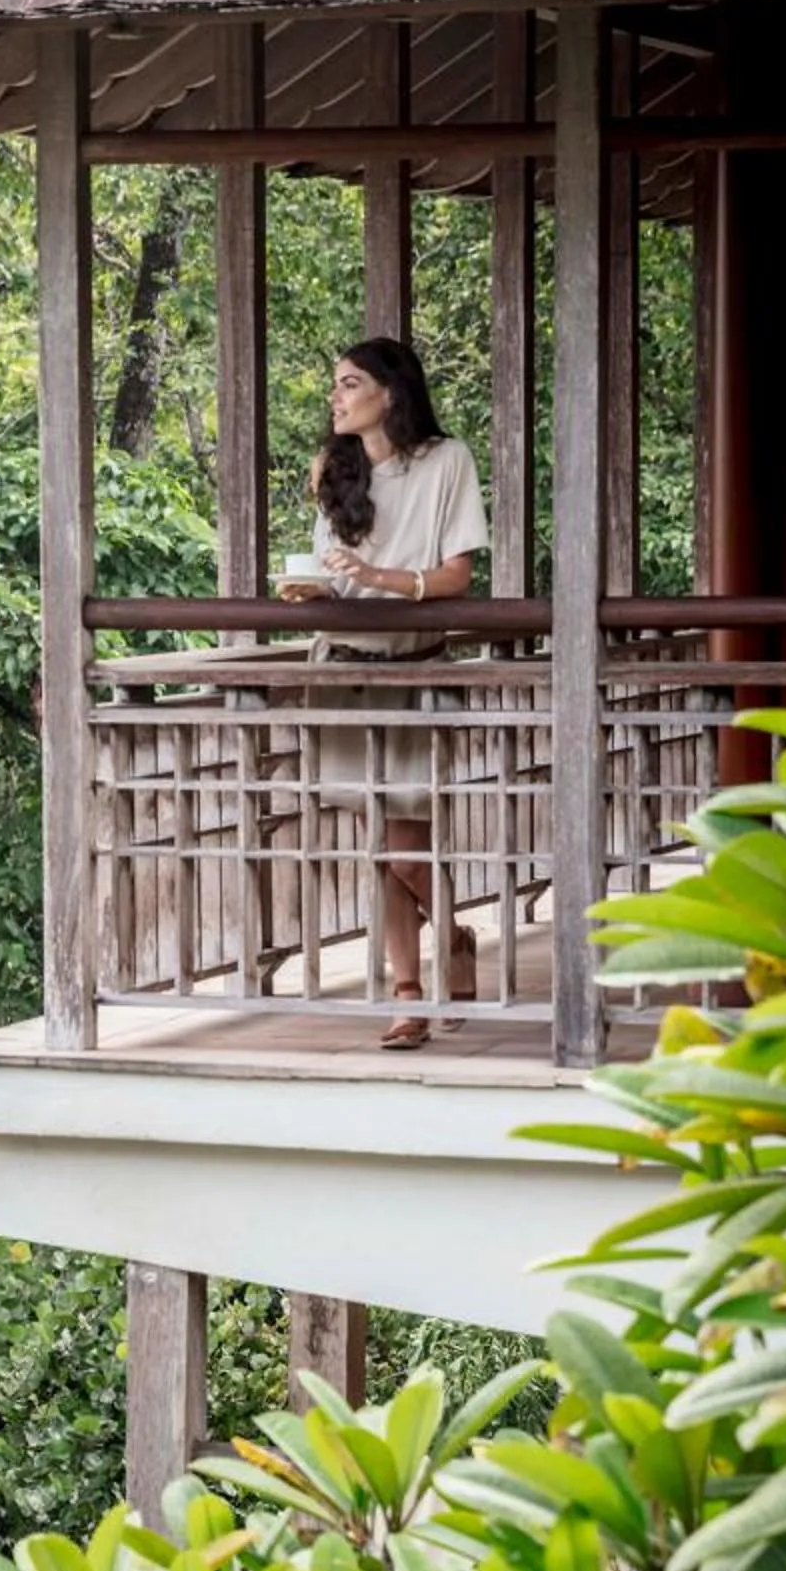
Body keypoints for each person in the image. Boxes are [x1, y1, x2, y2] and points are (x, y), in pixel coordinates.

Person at [281, 338, 489, 1050]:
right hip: (341, 669)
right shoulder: (334, 469)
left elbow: (458, 576)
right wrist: (315, 587)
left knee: (406, 850)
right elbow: (333, 573)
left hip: (415, 669)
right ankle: (409, 994)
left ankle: (454, 943)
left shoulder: (445, 462)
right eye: (334, 385)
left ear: (390, 392)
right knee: (382, 846)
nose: (335, 398)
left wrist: (382, 582)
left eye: (348, 384)